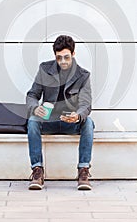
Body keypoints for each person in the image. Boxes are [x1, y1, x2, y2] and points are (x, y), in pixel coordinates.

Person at [26, 35, 95, 190]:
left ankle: (83, 171)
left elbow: (86, 104)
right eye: (59, 58)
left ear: (73, 54)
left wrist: (77, 115)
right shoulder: (45, 69)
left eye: (66, 57)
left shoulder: (83, 75)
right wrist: (35, 108)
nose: (63, 61)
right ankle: (37, 171)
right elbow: (32, 95)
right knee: (32, 121)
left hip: (70, 122)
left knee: (88, 123)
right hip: (48, 121)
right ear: (55, 56)